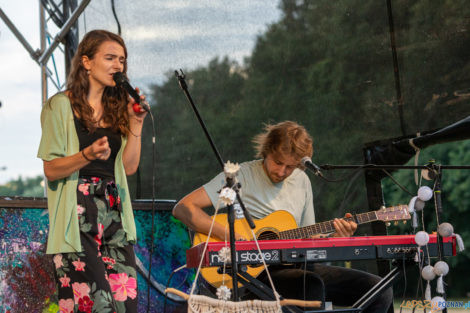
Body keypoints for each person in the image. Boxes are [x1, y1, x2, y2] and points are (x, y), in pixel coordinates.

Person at [173, 121, 393, 313]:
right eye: (278, 162)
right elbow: (183, 207)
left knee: (379, 290)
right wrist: (231, 235)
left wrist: (336, 236)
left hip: (294, 267)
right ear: (266, 151)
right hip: (249, 273)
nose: (282, 172)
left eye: (291, 166)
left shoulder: (302, 181)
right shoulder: (243, 175)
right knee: (309, 285)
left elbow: (309, 242)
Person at [37, 30, 147, 313]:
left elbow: (129, 167)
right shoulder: (60, 106)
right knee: (96, 305)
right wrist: (87, 154)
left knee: (126, 306)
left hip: (114, 211)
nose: (117, 66)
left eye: (121, 60)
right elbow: (51, 169)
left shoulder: (118, 109)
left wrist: (137, 123)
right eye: (109, 58)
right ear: (86, 62)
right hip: (77, 213)